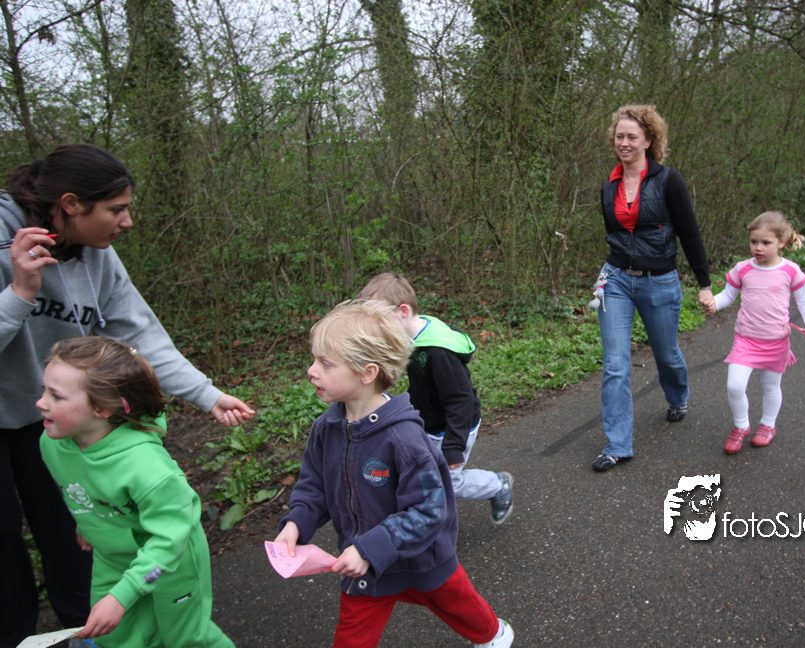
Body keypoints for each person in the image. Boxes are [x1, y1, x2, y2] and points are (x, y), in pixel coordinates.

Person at [0, 144, 254, 648]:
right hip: (38, 402)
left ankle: (89, 630)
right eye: (116, 209)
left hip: (57, 417)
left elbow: (141, 334)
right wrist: (20, 293)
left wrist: (206, 394)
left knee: (76, 525)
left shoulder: (97, 253)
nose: (128, 221)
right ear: (71, 204)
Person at [273, 301, 513, 648]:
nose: (311, 371)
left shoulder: (406, 439)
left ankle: (494, 635)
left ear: (367, 373)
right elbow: (314, 485)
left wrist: (371, 548)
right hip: (364, 570)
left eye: (325, 363)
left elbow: (430, 510)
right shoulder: (326, 428)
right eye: (313, 360)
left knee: (460, 607)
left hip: (422, 560)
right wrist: (297, 522)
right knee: (351, 638)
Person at [36, 337, 235, 648]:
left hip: (170, 558)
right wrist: (87, 522)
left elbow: (171, 537)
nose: (41, 403)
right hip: (112, 556)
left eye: (56, 396)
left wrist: (123, 596)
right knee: (115, 636)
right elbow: (80, 488)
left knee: (185, 638)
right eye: (44, 390)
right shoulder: (52, 444)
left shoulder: (149, 469)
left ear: (102, 408)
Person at [591, 104, 713, 472]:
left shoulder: (669, 180)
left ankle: (678, 395)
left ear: (648, 140)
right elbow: (615, 235)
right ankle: (618, 444)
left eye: (632, 136)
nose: (624, 143)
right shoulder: (608, 186)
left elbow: (689, 233)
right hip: (616, 280)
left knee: (666, 353)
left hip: (659, 281)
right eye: (619, 136)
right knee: (615, 365)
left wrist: (704, 283)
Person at [358, 272, 513, 525]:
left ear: (403, 311)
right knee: (420, 472)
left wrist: (453, 446)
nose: (376, 328)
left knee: (449, 482)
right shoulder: (412, 333)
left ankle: (497, 485)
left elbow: (460, 400)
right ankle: (421, 514)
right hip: (429, 420)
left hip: (453, 427)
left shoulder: (439, 352)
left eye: (379, 319)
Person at [700, 211, 805, 454]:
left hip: (776, 341)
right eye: (754, 241)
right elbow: (728, 295)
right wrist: (714, 303)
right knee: (735, 386)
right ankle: (741, 426)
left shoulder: (790, 270)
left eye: (766, 242)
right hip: (746, 340)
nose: (758, 247)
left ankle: (768, 425)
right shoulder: (743, 269)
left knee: (771, 386)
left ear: (781, 242)